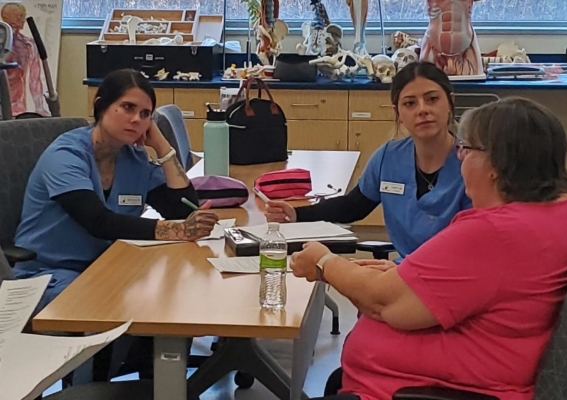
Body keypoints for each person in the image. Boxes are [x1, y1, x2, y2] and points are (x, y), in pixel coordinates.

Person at [290, 97, 567, 400]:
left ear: (496, 165)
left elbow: (382, 302)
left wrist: (324, 261)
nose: (460, 157)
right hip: (470, 376)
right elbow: (489, 289)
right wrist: (407, 278)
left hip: (423, 389)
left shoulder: (494, 232)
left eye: (468, 149)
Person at [12, 69, 219, 314]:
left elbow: (182, 210)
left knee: (170, 297)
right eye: (128, 107)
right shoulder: (66, 157)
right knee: (117, 304)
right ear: (101, 106)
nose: (136, 119)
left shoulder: (134, 157)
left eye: (145, 114)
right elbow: (98, 222)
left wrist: (163, 147)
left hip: (106, 264)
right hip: (50, 273)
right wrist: (181, 230)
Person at [266, 61, 471, 262]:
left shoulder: (472, 163)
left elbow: (480, 240)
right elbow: (353, 206)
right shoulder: (389, 157)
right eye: (410, 103)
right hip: (404, 272)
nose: (422, 110)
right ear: (398, 113)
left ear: (450, 102)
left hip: (455, 274)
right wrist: (296, 214)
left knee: (333, 269)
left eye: (432, 99)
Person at [1, 2, 46, 116]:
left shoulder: (28, 45)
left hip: (18, 104)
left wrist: (39, 107)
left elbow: (34, 79)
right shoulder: (3, 46)